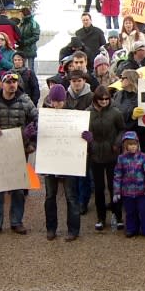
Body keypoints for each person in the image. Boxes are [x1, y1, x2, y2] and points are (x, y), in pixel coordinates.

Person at [0, 72, 38, 238]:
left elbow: (38, 121)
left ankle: (17, 222)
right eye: (8, 81)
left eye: (14, 82)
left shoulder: (26, 101)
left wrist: (31, 140)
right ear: (2, 83)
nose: (12, 84)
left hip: (19, 150)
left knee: (18, 189)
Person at [43, 91, 83, 241]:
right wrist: (32, 134)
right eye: (54, 101)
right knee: (50, 196)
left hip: (68, 162)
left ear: (65, 100)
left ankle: (73, 230)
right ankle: (51, 228)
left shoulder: (74, 115)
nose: (56, 104)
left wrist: (87, 137)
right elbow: (38, 134)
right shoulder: (46, 115)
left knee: (71, 197)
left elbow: (82, 134)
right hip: (50, 161)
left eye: (59, 101)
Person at [86, 85, 125, 231]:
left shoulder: (115, 113)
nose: (104, 101)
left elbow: (122, 129)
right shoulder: (88, 113)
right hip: (95, 154)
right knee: (99, 188)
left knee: (113, 186)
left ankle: (118, 215)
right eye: (101, 99)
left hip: (112, 154)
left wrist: (117, 143)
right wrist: (87, 138)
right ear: (96, 99)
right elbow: (82, 129)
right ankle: (100, 217)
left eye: (106, 99)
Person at [112, 131, 145, 238]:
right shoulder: (121, 158)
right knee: (130, 212)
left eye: (134, 144)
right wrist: (116, 191)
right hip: (127, 192)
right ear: (125, 146)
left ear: (138, 144)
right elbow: (117, 175)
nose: (132, 147)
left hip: (142, 191)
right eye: (130, 145)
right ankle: (131, 229)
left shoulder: (144, 157)